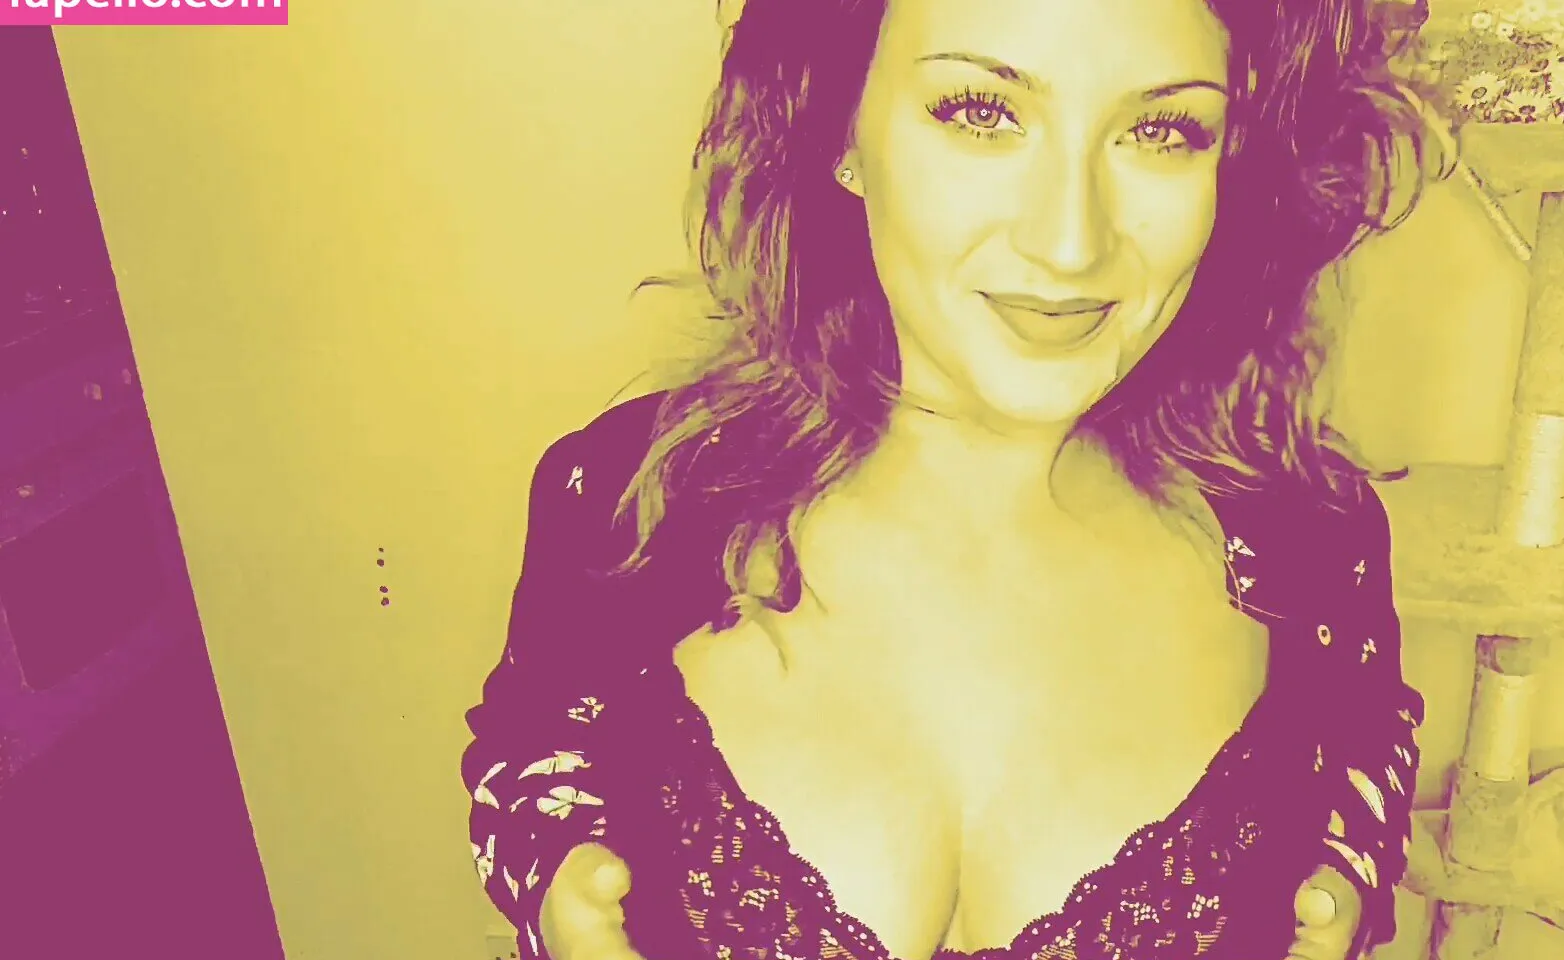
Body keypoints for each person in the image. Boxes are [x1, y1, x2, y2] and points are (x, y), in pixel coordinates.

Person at [461, 0, 1437, 956]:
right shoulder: (631, 498)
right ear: (841, 126)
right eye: (981, 112)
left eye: (1162, 130)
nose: (1071, 244)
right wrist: (555, 878)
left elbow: (1366, 741)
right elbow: (534, 734)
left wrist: (1343, 880)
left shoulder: (1313, 541)